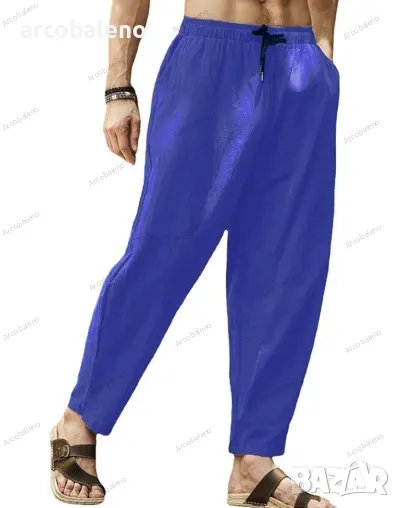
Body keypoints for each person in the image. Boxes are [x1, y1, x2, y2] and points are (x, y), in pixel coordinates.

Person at [50, 0, 340, 506]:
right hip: (211, 58)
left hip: (301, 66)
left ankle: (253, 461)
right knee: (161, 255)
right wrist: (118, 85)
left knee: (286, 269)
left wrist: (322, 52)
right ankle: (80, 419)